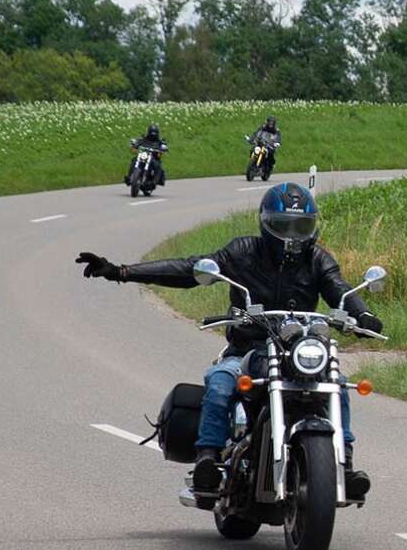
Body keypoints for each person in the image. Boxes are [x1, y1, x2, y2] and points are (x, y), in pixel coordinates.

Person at [76, 182, 381, 500]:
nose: (292, 236)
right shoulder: (243, 252)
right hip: (247, 349)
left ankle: (343, 466)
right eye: (283, 226)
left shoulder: (318, 260)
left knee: (337, 385)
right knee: (221, 382)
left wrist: (363, 315)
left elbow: (339, 290)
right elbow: (189, 270)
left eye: (300, 226)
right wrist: (122, 271)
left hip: (296, 351)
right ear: (266, 224)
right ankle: (208, 461)